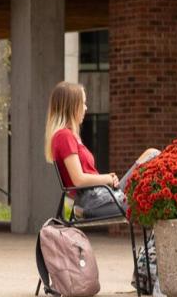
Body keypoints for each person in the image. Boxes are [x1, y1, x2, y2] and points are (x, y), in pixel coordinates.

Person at [44, 80, 157, 221]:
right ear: (72, 107)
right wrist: (107, 179)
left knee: (151, 154)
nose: (86, 108)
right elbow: (78, 180)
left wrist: (107, 179)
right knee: (154, 198)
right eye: (83, 103)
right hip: (94, 201)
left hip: (102, 195)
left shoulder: (69, 136)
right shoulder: (64, 136)